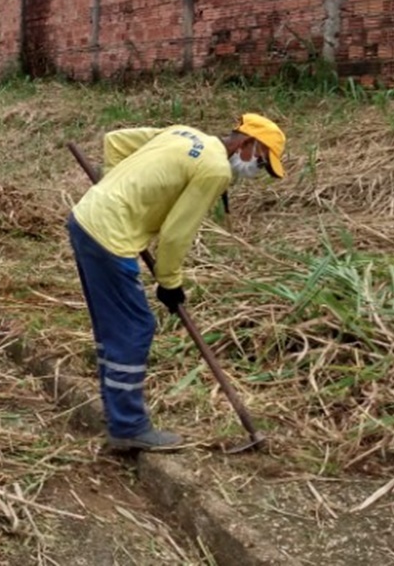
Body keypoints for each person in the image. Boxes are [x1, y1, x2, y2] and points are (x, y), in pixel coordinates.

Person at [67, 114, 286, 452]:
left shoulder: (183, 133)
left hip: (86, 219)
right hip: (108, 236)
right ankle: (127, 427)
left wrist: (113, 189)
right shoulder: (215, 170)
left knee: (116, 328)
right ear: (245, 143)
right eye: (260, 161)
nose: (256, 170)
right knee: (134, 327)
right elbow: (175, 234)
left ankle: (119, 416)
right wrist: (170, 283)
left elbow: (116, 140)